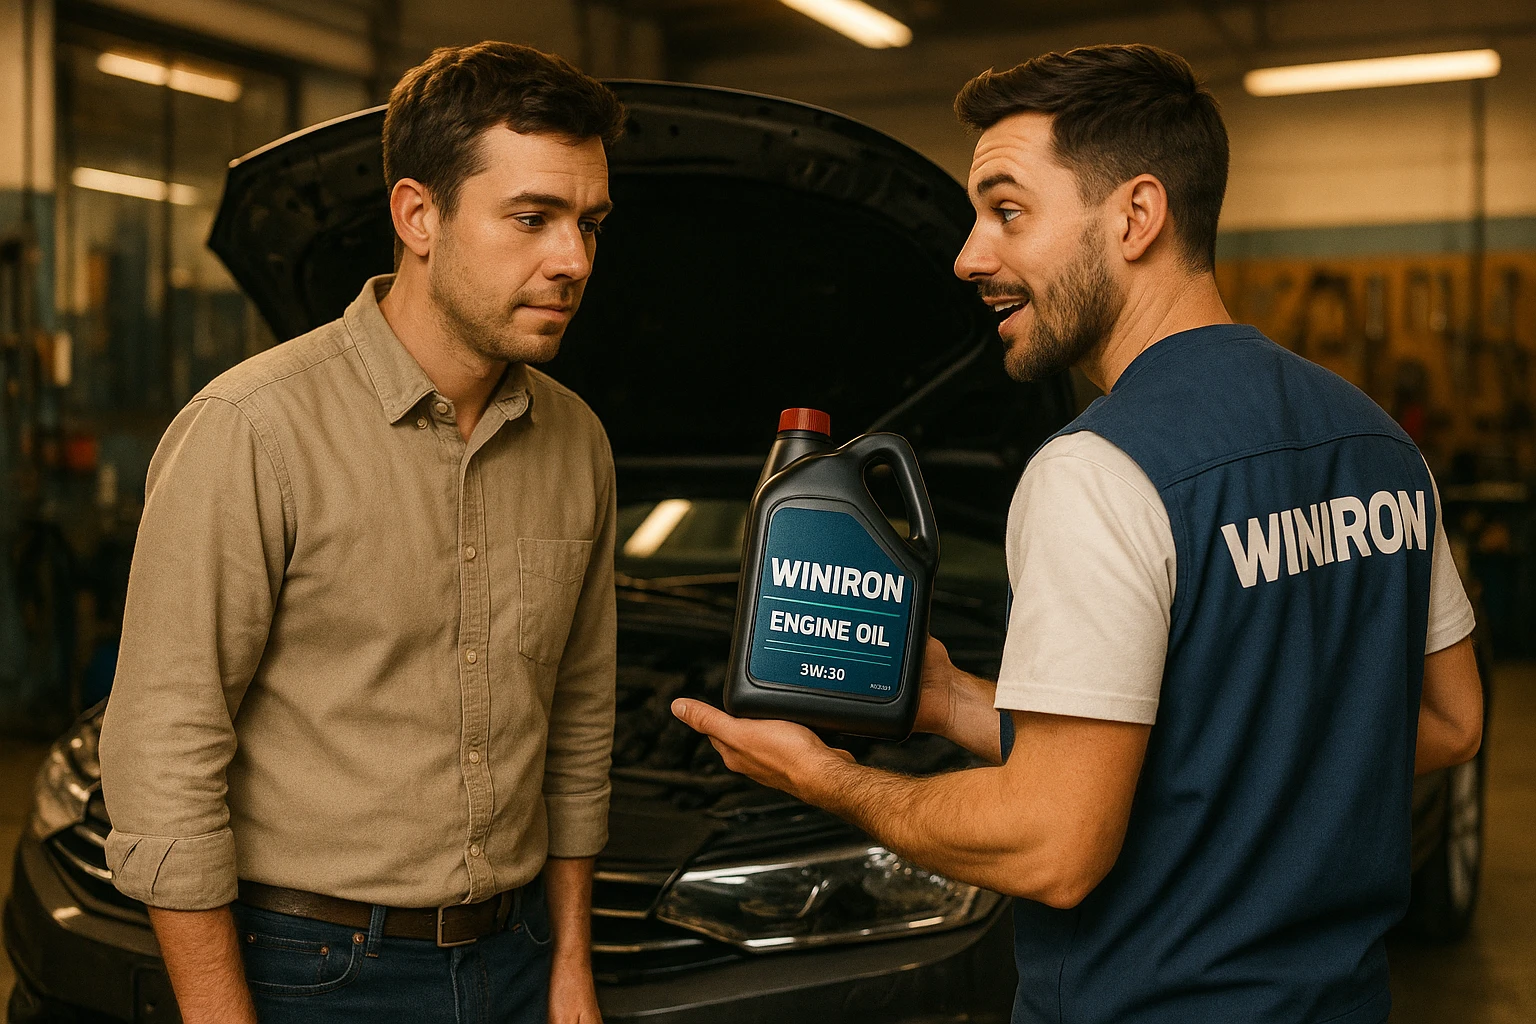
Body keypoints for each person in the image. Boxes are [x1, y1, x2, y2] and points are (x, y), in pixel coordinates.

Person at [674, 44, 1484, 1024]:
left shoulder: (1099, 469)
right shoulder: (1375, 440)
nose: (971, 255)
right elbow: (1446, 722)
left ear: (1136, 216)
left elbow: (1055, 846)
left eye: (1008, 210)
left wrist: (833, 780)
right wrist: (952, 701)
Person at [97, 42, 623, 1024]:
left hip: (518, 961)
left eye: (589, 223)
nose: (573, 259)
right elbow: (166, 753)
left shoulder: (578, 442)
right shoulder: (253, 430)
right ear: (418, 215)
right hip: (313, 970)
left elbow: (581, 724)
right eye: (532, 218)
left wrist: (570, 966)